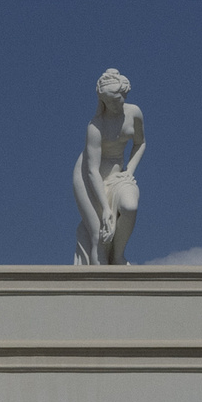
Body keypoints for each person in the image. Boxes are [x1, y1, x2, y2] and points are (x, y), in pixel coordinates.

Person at [71, 68, 145, 265]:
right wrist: (105, 208)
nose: (113, 105)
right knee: (100, 234)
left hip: (117, 174)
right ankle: (100, 274)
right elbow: (92, 171)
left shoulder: (134, 113)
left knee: (130, 207)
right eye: (108, 101)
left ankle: (118, 255)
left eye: (116, 100)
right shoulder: (96, 127)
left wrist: (129, 171)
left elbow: (140, 143)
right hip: (88, 178)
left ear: (124, 94)